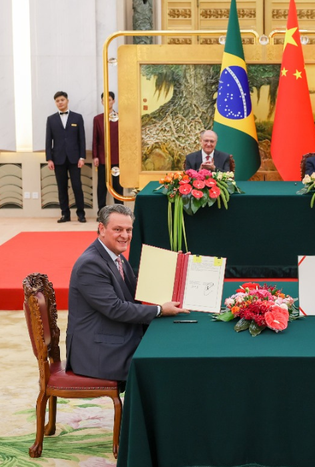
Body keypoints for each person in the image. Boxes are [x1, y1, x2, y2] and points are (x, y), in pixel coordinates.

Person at [66, 204, 189, 383]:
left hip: (115, 336)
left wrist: (175, 267)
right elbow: (115, 308)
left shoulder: (115, 255)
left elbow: (137, 290)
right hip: (99, 352)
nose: (125, 235)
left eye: (128, 230)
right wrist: (160, 310)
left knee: (173, 344)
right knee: (168, 361)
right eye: (118, 229)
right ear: (102, 228)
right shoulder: (90, 264)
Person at [46, 91, 87, 223]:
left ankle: (81, 214)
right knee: (61, 188)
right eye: (57, 101)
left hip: (75, 158)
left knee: (77, 186)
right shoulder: (51, 119)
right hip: (58, 159)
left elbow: (82, 139)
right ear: (55, 103)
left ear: (67, 101)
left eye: (62, 100)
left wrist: (82, 157)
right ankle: (65, 214)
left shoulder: (77, 117)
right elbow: (48, 140)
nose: (60, 103)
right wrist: (49, 158)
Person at [92, 91, 123, 211]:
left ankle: (120, 210)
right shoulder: (97, 119)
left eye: (109, 99)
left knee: (117, 185)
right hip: (102, 158)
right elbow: (95, 139)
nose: (107, 102)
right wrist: (95, 156)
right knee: (102, 186)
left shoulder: (120, 117)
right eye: (104, 100)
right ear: (101, 102)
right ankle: (101, 211)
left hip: (117, 157)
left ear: (113, 101)